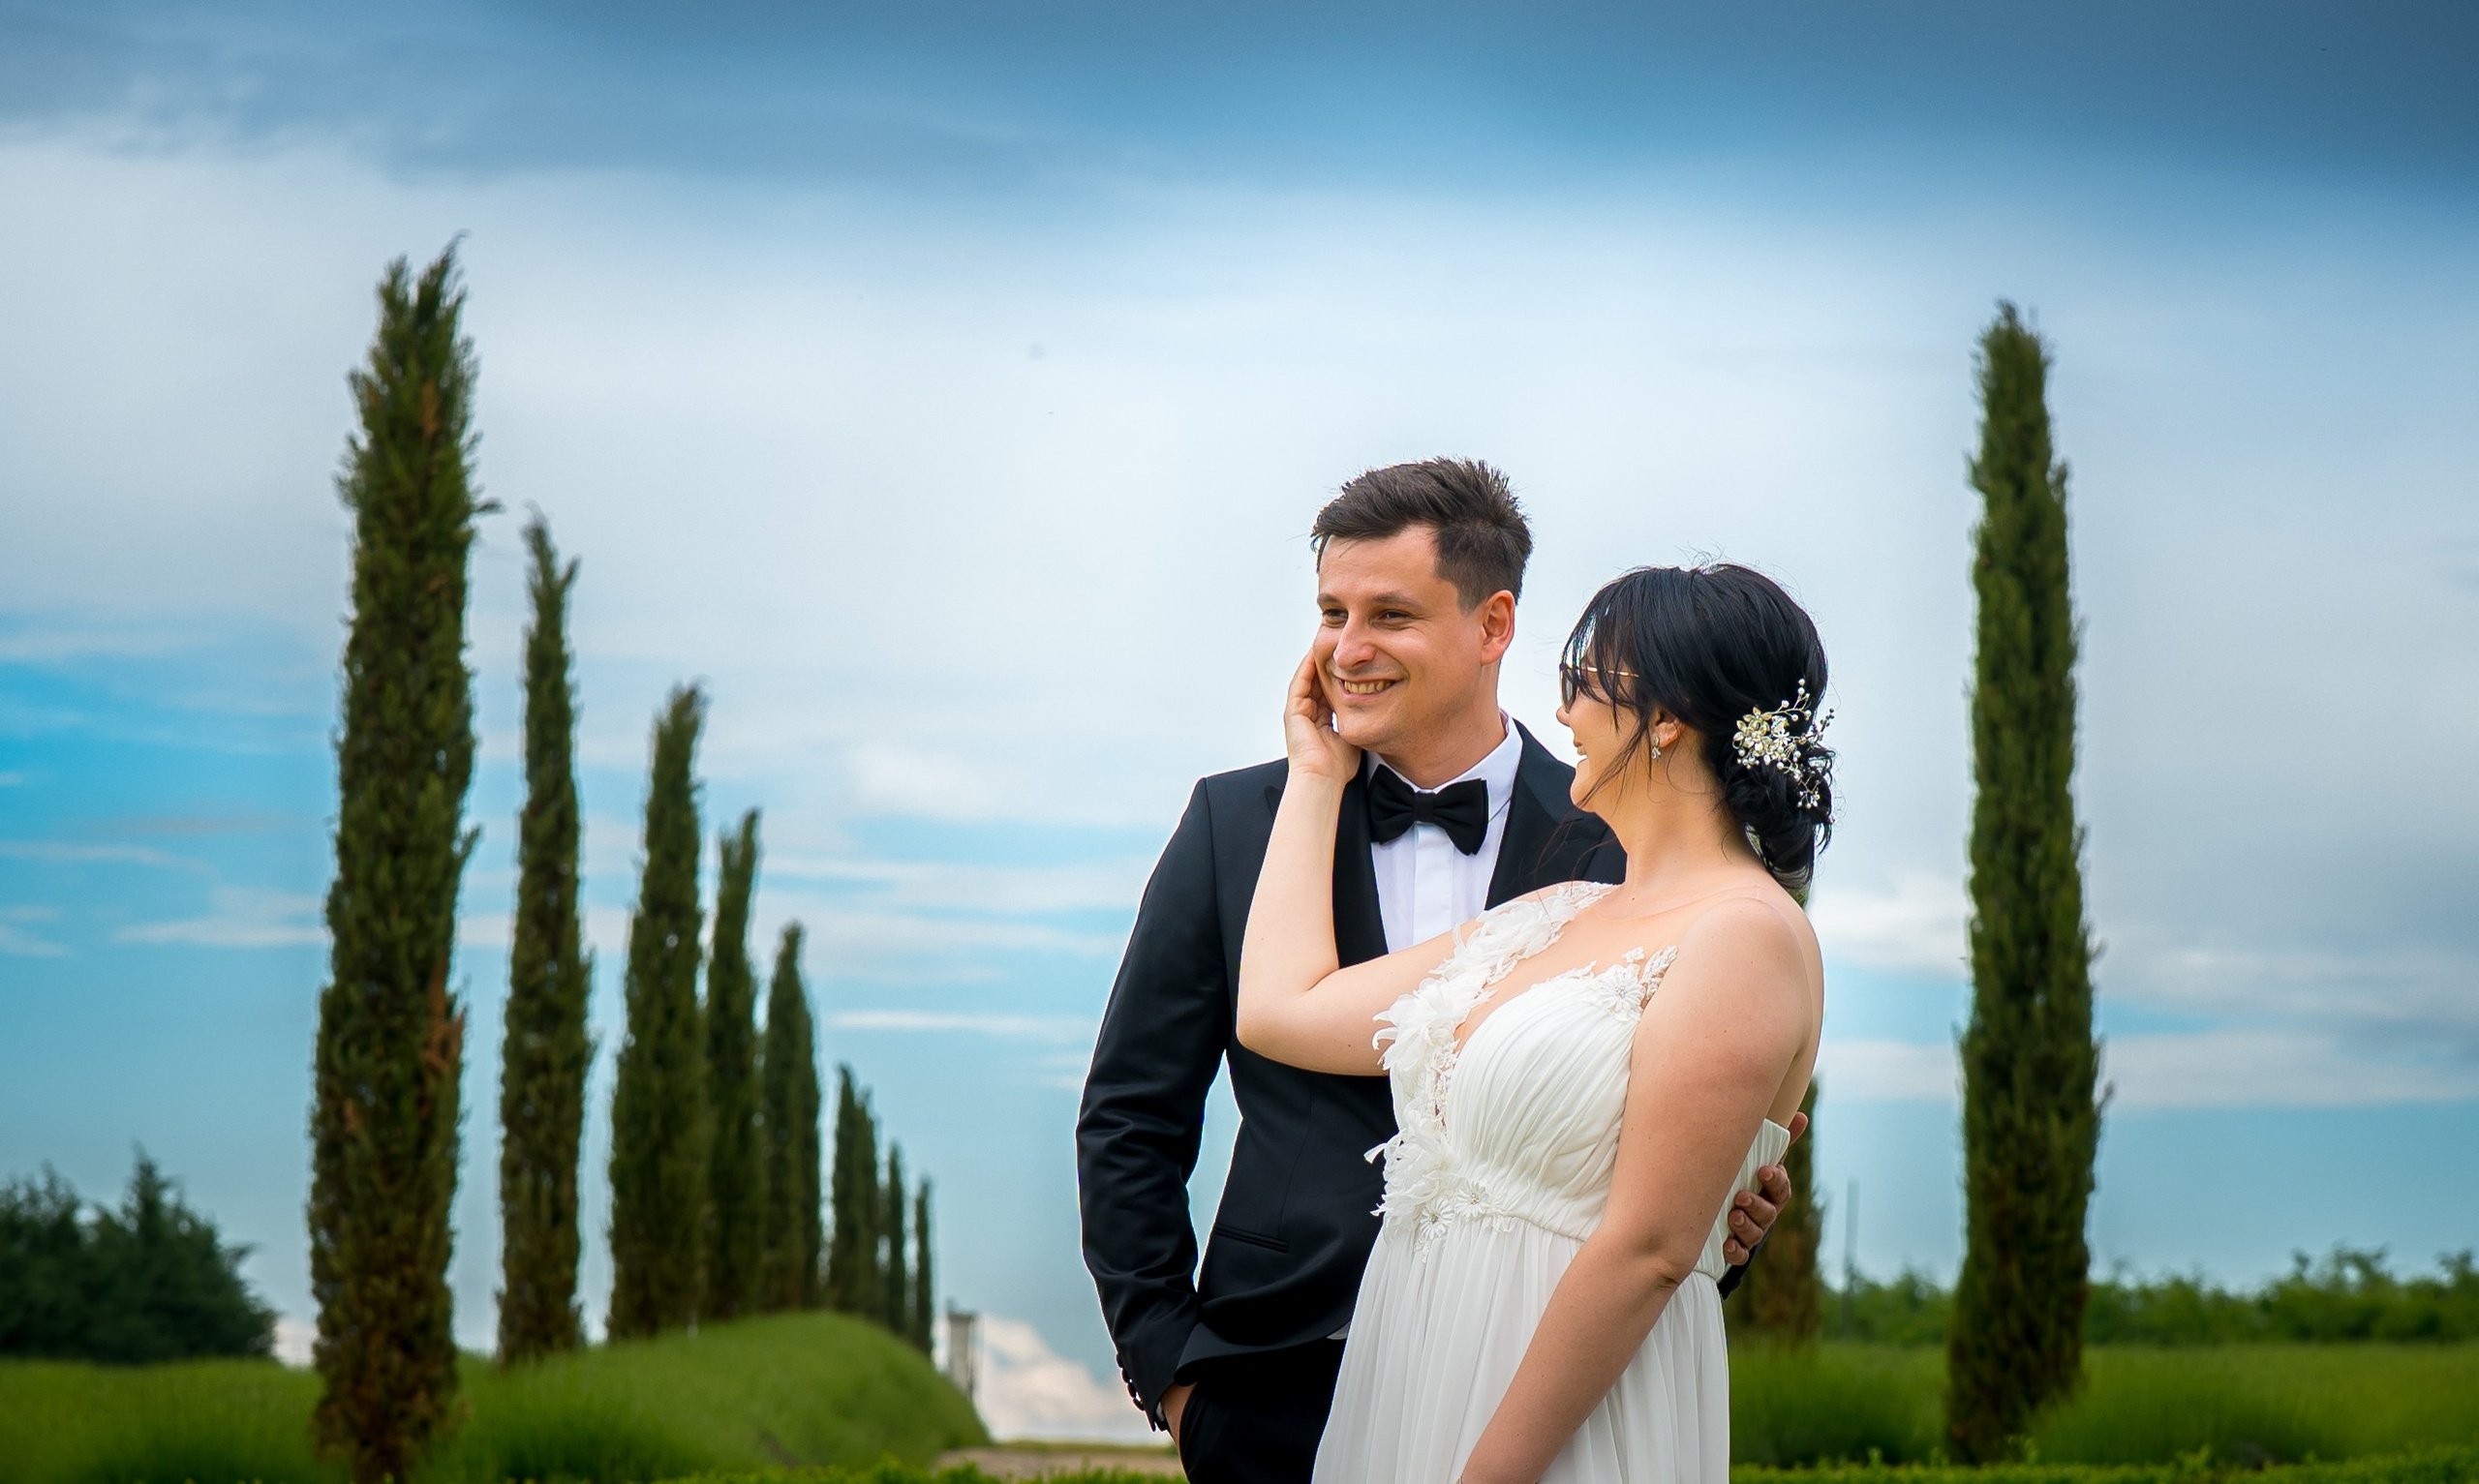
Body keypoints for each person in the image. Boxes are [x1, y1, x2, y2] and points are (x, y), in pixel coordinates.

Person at [1076, 460, 1799, 1484]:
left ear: (1493, 624)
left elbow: (1660, 1200)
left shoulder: (1624, 854)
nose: (1346, 649)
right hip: (1266, 1382)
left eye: (1390, 614)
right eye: (1331, 613)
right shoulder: (1233, 826)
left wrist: (1725, 1219)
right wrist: (1175, 1371)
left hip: (1536, 1379)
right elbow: (1132, 1113)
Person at [1238, 560, 1832, 1484]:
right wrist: (1316, 775)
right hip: (1413, 1381)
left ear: (1667, 718)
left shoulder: (1748, 935)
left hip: (1553, 1429)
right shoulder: (1553, 913)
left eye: (1585, 681)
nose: (1563, 712)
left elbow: (1648, 1250)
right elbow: (1281, 1012)